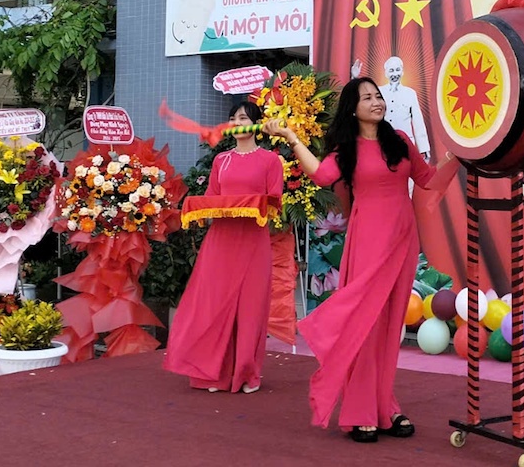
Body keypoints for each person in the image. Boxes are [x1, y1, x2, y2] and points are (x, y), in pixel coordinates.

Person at [264, 77, 455, 443]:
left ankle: (386, 405)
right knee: (364, 326)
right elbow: (320, 175)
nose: (376, 101)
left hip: (401, 242)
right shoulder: (346, 149)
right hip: (368, 242)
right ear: (354, 107)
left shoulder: (399, 141)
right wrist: (292, 138)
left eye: (378, 96)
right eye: (367, 97)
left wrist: (460, 151)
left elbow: (429, 179)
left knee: (388, 329)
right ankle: (361, 411)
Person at [163, 100, 283, 394]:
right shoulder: (221, 160)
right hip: (221, 240)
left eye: (243, 117)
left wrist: (253, 205)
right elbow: (212, 197)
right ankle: (212, 373)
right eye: (233, 118)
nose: (237, 122)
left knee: (250, 307)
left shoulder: (269, 160)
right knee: (214, 304)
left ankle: (246, 372)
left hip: (253, 240)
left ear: (255, 123)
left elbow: (274, 200)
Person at [351, 56, 430, 159]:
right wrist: (354, 78)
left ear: (402, 72)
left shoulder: (410, 93)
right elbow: (359, 98)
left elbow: (418, 122)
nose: (395, 74)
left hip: (405, 145)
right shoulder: (378, 91)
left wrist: (424, 148)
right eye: (391, 71)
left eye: (398, 70)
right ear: (386, 73)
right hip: (381, 143)